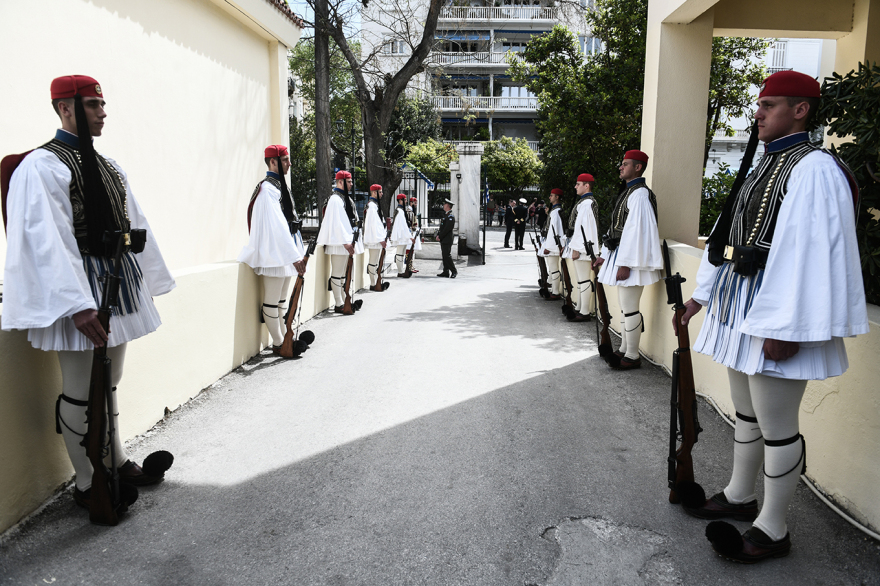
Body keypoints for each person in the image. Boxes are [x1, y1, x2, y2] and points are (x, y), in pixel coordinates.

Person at [675, 71, 868, 563]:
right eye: (759, 104)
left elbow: (810, 254)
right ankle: (741, 495)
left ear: (800, 111)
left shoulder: (814, 168)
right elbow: (726, 237)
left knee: (778, 424)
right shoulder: (765, 164)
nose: (757, 113)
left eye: (770, 105)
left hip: (776, 315)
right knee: (746, 411)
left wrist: (786, 329)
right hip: (741, 308)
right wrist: (700, 297)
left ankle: (773, 528)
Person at [1, 75, 176, 513]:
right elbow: (46, 238)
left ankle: (115, 462)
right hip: (79, 289)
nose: (103, 112)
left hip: (118, 283)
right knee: (81, 387)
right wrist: (77, 304)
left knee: (110, 381)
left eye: (102, 103)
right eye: (93, 104)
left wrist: (150, 279)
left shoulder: (109, 165)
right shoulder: (43, 165)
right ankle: (87, 481)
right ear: (65, 108)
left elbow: (135, 223)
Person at [593, 149, 662, 370]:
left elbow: (636, 232)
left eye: (625, 164)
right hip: (622, 256)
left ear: (638, 167)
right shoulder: (629, 191)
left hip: (632, 260)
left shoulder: (640, 194)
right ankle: (624, 348)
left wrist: (625, 264)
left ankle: (632, 356)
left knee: (630, 307)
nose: (621, 167)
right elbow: (616, 229)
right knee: (626, 306)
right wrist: (604, 256)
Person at [238, 145, 306, 354]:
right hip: (274, 253)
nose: (289, 164)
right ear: (273, 162)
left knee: (282, 300)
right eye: (285, 160)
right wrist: (294, 256)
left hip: (284, 252)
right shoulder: (267, 190)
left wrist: (296, 252)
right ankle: (279, 343)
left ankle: (286, 338)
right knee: (272, 301)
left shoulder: (278, 187)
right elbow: (277, 226)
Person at [316, 170, 364, 313]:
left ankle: (344, 300)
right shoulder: (335, 199)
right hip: (338, 243)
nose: (351, 184)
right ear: (340, 182)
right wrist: (345, 242)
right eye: (348, 181)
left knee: (343, 275)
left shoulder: (344, 198)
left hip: (345, 242)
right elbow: (337, 223)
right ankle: (338, 303)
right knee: (337, 274)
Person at [562, 174, 600, 322]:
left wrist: (577, 248)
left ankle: (584, 312)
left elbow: (583, 228)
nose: (575, 187)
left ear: (587, 185)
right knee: (581, 280)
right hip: (584, 247)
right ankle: (579, 308)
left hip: (584, 248)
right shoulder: (585, 202)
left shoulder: (587, 203)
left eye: (578, 184)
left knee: (584, 280)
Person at [538, 188, 566, 300]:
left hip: (554, 245)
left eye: (552, 195)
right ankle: (553, 290)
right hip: (554, 244)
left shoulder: (556, 212)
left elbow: (554, 231)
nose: (550, 197)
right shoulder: (555, 211)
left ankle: (555, 292)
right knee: (553, 269)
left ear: (557, 197)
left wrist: (548, 247)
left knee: (554, 269)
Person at [362, 184, 389, 290]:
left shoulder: (374, 205)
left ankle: (376, 282)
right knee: (373, 262)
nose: (382, 194)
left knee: (376, 262)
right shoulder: (372, 206)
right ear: (374, 192)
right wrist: (380, 238)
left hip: (375, 238)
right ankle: (373, 284)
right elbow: (374, 224)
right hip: (374, 239)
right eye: (380, 192)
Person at [390, 193, 412, 277]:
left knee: (401, 254)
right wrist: (408, 235)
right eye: (405, 199)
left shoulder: (401, 211)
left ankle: (401, 270)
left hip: (402, 235)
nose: (406, 201)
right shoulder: (399, 211)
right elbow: (402, 226)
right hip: (401, 236)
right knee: (399, 253)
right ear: (400, 200)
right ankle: (400, 271)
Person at [436, 198, 457, 278]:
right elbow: (442, 228)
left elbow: (447, 229)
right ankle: (446, 271)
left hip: (447, 239)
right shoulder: (446, 215)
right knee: (444, 256)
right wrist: (438, 235)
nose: (443, 205)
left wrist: (440, 236)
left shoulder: (450, 216)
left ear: (448, 206)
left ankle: (454, 271)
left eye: (444, 204)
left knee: (447, 256)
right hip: (444, 239)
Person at [406, 196, 422, 274]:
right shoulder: (409, 212)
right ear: (411, 203)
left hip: (413, 233)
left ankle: (411, 266)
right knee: (409, 250)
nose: (416, 205)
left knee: (411, 250)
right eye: (415, 203)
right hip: (410, 233)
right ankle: (408, 267)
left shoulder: (412, 211)